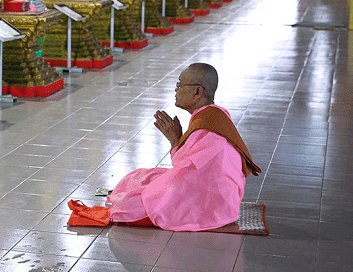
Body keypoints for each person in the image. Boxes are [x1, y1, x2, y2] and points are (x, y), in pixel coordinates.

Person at [107, 63, 261, 231]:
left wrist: (175, 141)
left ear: (197, 92)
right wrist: (178, 141)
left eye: (179, 85)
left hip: (212, 205)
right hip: (217, 194)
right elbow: (188, 167)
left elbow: (181, 166)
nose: (176, 90)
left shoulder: (206, 127)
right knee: (141, 176)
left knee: (128, 205)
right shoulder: (216, 113)